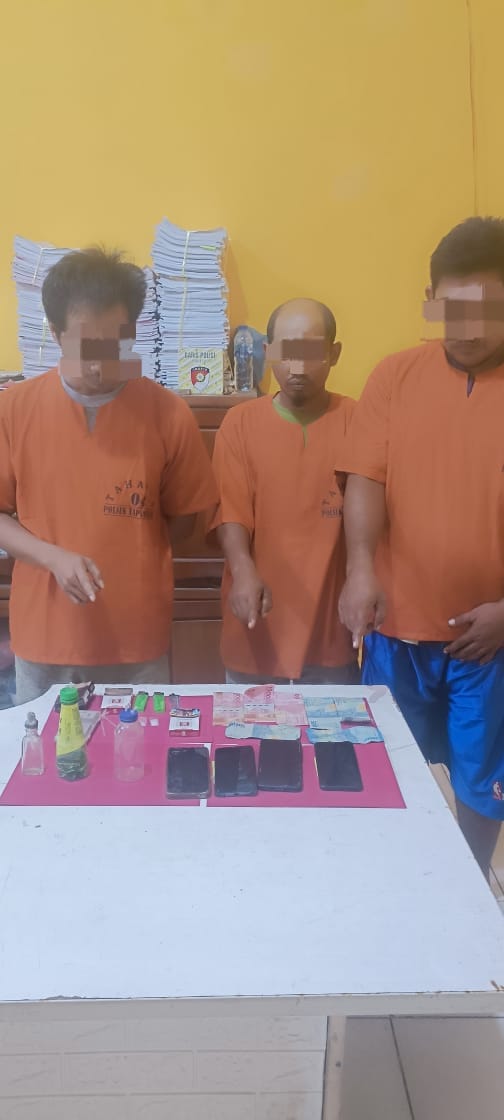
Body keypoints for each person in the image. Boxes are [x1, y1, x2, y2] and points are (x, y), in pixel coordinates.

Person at [338, 215, 504, 878]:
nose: (468, 327)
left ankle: (471, 889)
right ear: (431, 301)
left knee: (482, 780)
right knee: (390, 766)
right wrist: (359, 571)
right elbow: (366, 480)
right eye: (453, 309)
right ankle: (401, 885)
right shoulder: (395, 376)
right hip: (396, 629)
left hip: (489, 641)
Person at [0, 247, 217, 703]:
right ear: (56, 333)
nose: (100, 364)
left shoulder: (168, 414)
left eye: (114, 345)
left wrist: (127, 550)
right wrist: (52, 557)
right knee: (46, 745)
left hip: (135, 641)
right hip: (45, 638)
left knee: (143, 743)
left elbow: (184, 522)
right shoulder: (13, 409)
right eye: (86, 347)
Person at [210, 297, 358, 684]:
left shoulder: (357, 422)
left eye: (312, 353)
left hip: (331, 634)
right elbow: (230, 511)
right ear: (267, 350)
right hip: (255, 625)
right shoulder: (239, 423)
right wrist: (242, 571)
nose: (298, 368)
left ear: (334, 354)